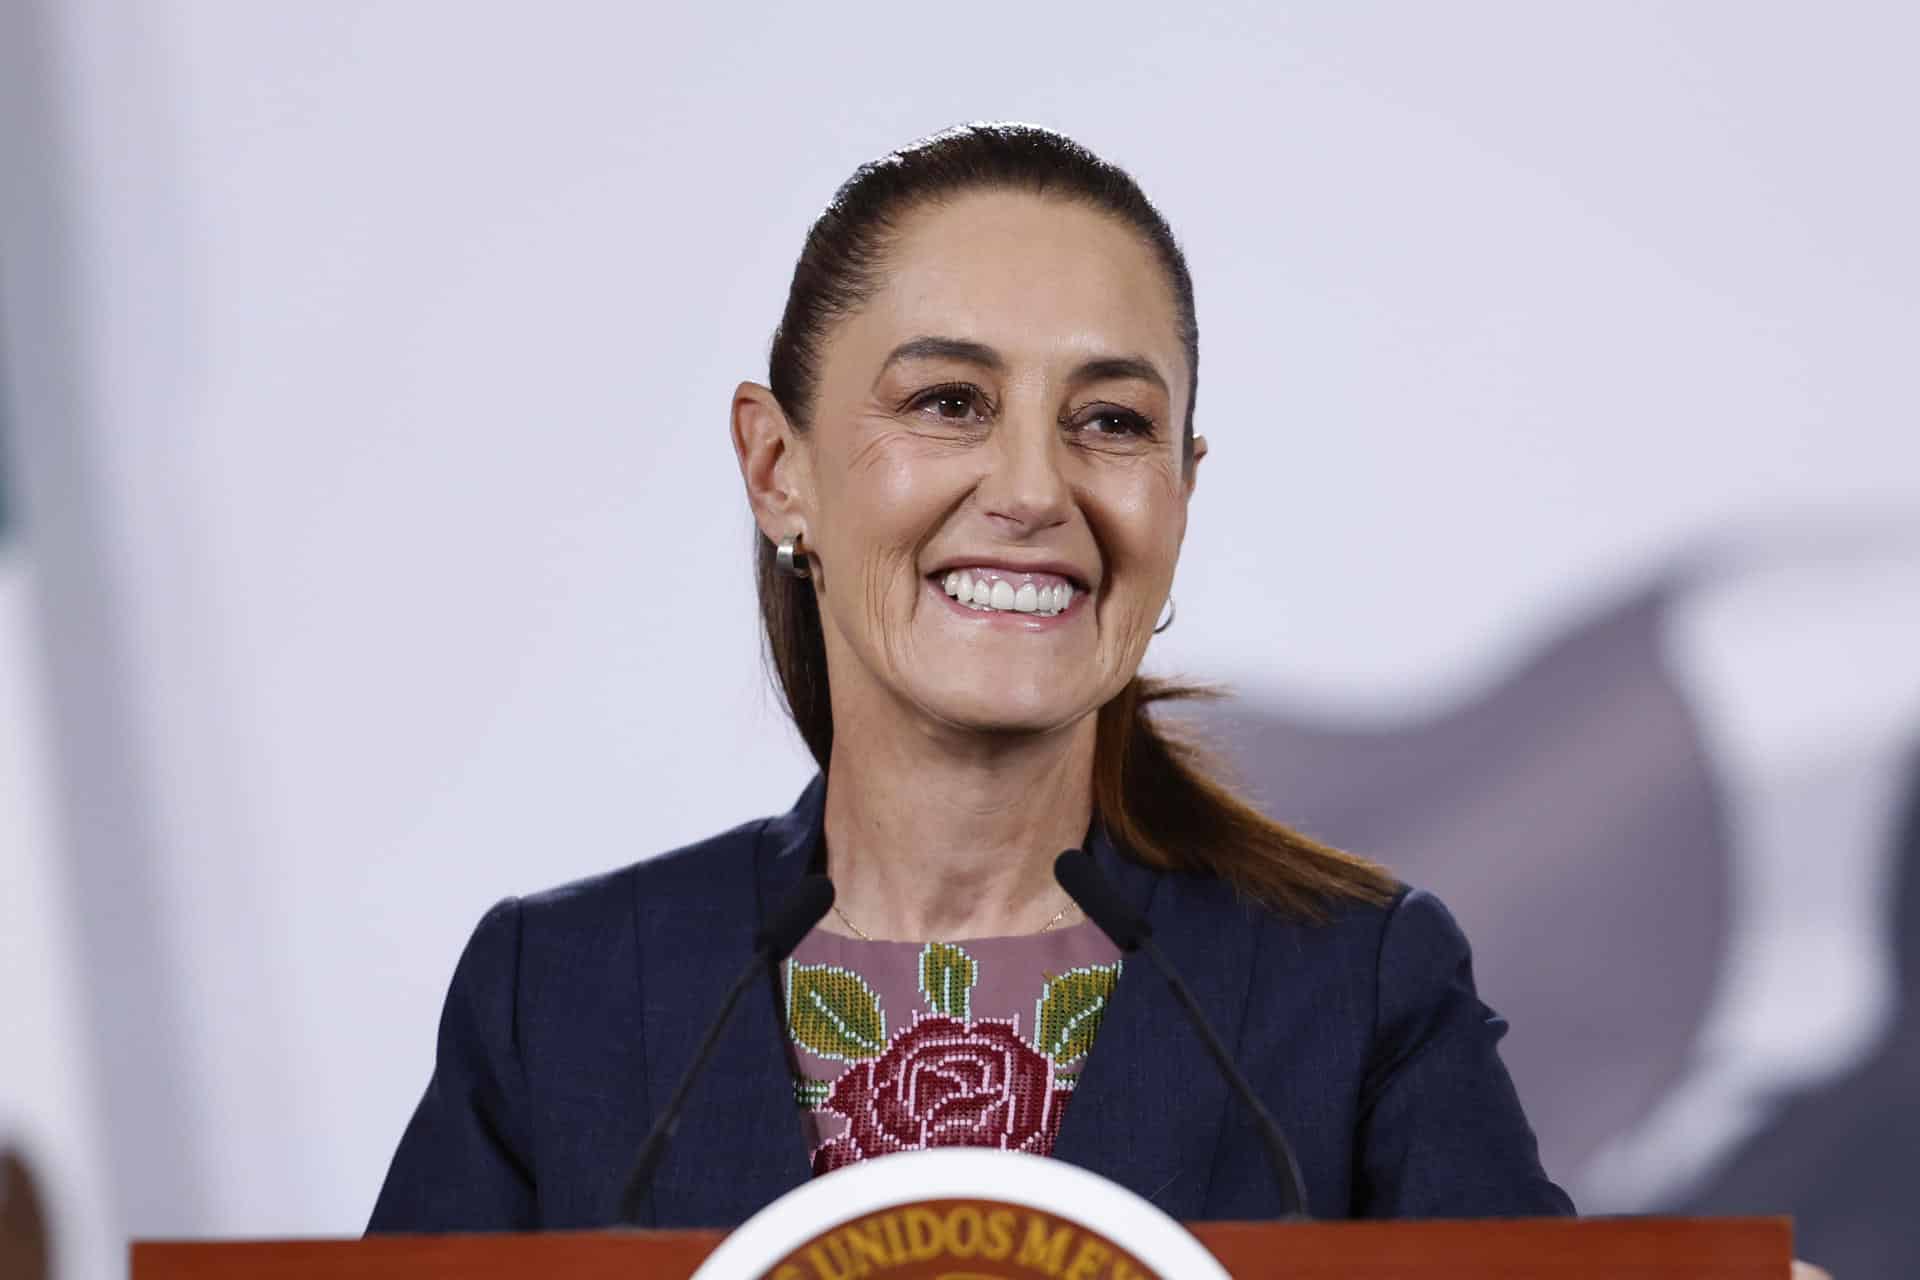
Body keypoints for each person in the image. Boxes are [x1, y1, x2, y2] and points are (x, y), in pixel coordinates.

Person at [366, 123, 1574, 1232]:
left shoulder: (1358, 990)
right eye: (950, 402)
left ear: (1183, 493)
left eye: (1111, 421)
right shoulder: (563, 994)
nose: (1037, 491)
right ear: (778, 465)